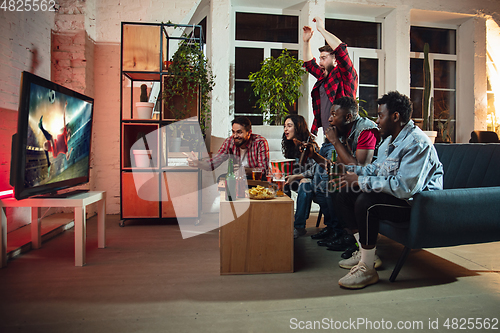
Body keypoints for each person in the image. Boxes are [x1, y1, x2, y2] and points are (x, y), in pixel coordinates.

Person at [334, 91, 443, 289]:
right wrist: (352, 172)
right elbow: (377, 169)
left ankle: (367, 268)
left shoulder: (417, 143)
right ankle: (366, 254)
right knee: (345, 193)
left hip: (419, 205)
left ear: (395, 117)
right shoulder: (389, 142)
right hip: (400, 198)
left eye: (381, 116)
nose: (377, 121)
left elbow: (405, 189)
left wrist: (361, 180)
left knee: (367, 202)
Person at [302, 16, 358, 239]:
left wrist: (322, 30)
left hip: (341, 141)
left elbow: (342, 50)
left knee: (330, 185)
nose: (320, 61)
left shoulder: (345, 76)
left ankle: (343, 232)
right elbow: (308, 64)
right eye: (321, 58)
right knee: (319, 185)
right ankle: (332, 228)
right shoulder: (324, 79)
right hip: (327, 140)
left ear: (334, 59)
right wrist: (306, 41)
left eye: (324, 57)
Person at [319, 97, 380, 256]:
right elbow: (340, 164)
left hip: (375, 179)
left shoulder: (366, 130)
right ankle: (348, 236)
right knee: (332, 186)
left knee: (343, 191)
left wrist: (335, 142)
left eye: (334, 114)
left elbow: (360, 167)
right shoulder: (344, 132)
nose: (329, 119)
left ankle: (358, 243)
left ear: (348, 117)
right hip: (362, 178)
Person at [185, 116, 269, 177]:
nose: (235, 136)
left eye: (239, 132)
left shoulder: (260, 142)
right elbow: (213, 164)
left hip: (256, 179)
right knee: (220, 179)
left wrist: (244, 170)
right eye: (233, 132)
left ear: (249, 133)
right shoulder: (230, 142)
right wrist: (197, 163)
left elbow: (264, 170)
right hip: (237, 178)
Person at [39, 103, 73, 173]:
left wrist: (70, 151)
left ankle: (41, 127)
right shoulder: (64, 133)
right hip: (53, 145)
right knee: (45, 145)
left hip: (55, 151)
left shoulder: (66, 148)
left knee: (50, 137)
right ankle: (48, 163)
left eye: (68, 135)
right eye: (68, 134)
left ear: (69, 137)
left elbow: (67, 158)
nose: (67, 136)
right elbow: (64, 118)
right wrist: (65, 107)